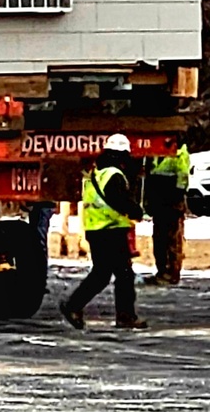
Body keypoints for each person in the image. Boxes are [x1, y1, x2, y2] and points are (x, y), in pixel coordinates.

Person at [60, 132, 147, 330]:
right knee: (124, 275)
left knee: (101, 274)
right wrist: (136, 211)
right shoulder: (114, 175)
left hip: (96, 230)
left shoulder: (96, 173)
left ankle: (74, 306)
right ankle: (125, 316)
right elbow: (119, 201)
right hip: (111, 231)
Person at [144, 132, 190, 286]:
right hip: (159, 201)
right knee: (159, 239)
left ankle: (172, 273)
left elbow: (182, 177)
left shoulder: (179, 153)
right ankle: (162, 271)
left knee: (172, 240)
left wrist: (176, 199)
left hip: (171, 202)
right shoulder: (155, 152)